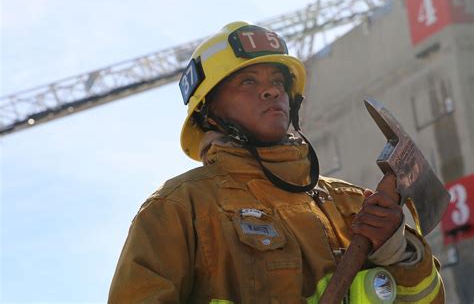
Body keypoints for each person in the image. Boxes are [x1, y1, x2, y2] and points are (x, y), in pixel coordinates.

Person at [109, 21, 444, 303]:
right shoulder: (179, 207)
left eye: (278, 82)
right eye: (248, 81)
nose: (271, 92)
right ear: (208, 112)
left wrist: (397, 252)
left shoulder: (354, 203)